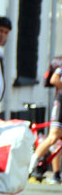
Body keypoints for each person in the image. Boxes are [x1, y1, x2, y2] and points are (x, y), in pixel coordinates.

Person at [29, 55, 62, 183]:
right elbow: (54, 79)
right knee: (53, 137)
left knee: (59, 141)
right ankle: (31, 166)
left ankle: (56, 174)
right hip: (61, 104)